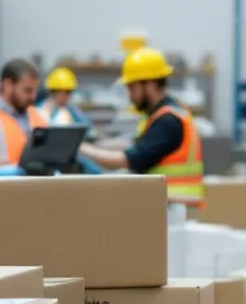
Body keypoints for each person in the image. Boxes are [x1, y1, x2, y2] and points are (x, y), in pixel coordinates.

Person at [81, 47, 205, 204]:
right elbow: (132, 144)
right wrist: (98, 145)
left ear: (150, 84)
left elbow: (126, 159)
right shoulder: (161, 114)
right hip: (168, 205)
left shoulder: (167, 121)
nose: (129, 95)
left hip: (173, 210)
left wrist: (82, 149)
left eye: (132, 88)